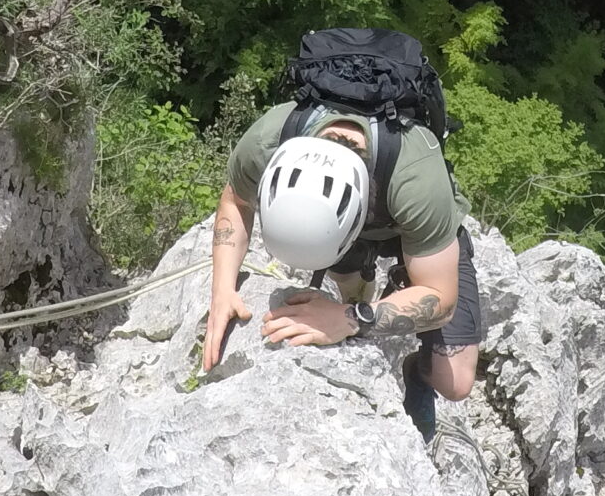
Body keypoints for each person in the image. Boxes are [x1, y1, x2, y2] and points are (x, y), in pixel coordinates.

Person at [203, 88, 479, 431]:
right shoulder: (267, 141)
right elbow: (235, 202)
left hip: (416, 229)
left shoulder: (417, 178)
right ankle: (356, 296)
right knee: (353, 299)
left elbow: (441, 297)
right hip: (350, 222)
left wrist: (350, 318)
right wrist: (222, 290)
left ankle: (415, 370)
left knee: (457, 383)